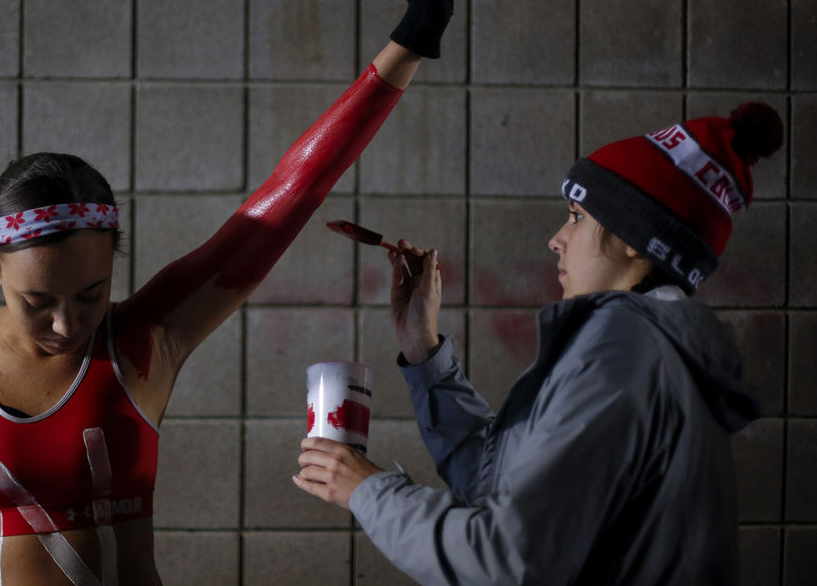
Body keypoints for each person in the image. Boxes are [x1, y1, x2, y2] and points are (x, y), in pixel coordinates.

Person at [0, 0, 487, 586]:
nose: (68, 324)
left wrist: (412, 39)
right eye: (37, 301)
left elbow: (292, 191)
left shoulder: (141, 344)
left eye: (91, 295)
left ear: (115, 264)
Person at [293, 102, 784, 584]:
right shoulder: (659, 345)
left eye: (576, 217)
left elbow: (510, 559)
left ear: (636, 237)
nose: (557, 238)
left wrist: (367, 490)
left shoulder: (625, 345)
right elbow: (504, 484)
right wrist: (422, 348)